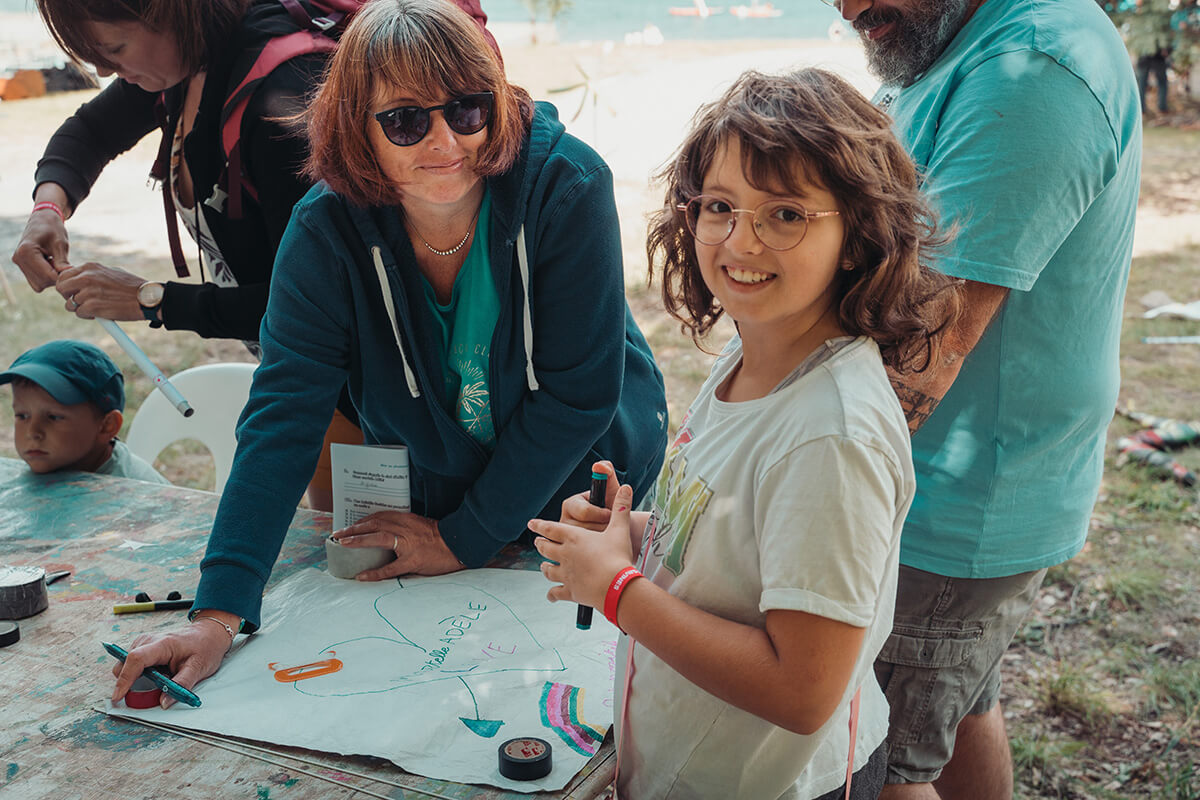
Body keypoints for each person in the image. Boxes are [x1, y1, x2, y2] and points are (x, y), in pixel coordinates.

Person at [108, 0, 668, 707]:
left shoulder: (567, 185)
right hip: (442, 495)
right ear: (355, 131)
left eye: (467, 111)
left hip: (585, 484)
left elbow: (577, 396)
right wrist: (218, 611)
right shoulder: (323, 231)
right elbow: (284, 415)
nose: (444, 142)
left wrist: (465, 538)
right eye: (405, 120)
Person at [530, 68, 961, 800]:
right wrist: (633, 535)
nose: (741, 240)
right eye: (720, 206)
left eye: (785, 214)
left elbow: (801, 690)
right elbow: (739, 543)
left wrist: (619, 589)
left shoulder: (832, 436)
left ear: (857, 235)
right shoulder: (756, 350)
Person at [831, 0, 1142, 797]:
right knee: (961, 709)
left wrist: (789, 479)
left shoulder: (1035, 67)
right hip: (944, 494)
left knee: (878, 770)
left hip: (947, 506)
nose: (847, 5)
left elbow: (926, 350)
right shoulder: (955, 40)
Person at [11, 0, 493, 511]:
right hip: (313, 388)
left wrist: (154, 300)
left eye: (113, 48)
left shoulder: (282, 99)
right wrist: (49, 208)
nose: (110, 71)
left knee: (386, 560)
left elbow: (326, 306)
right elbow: (89, 132)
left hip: (376, 397)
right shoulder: (181, 65)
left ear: (170, 13)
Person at [1, 340, 168, 484]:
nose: (33, 432)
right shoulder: (59, 461)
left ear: (106, 426)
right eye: (22, 416)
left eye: (54, 417)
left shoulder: (132, 495)